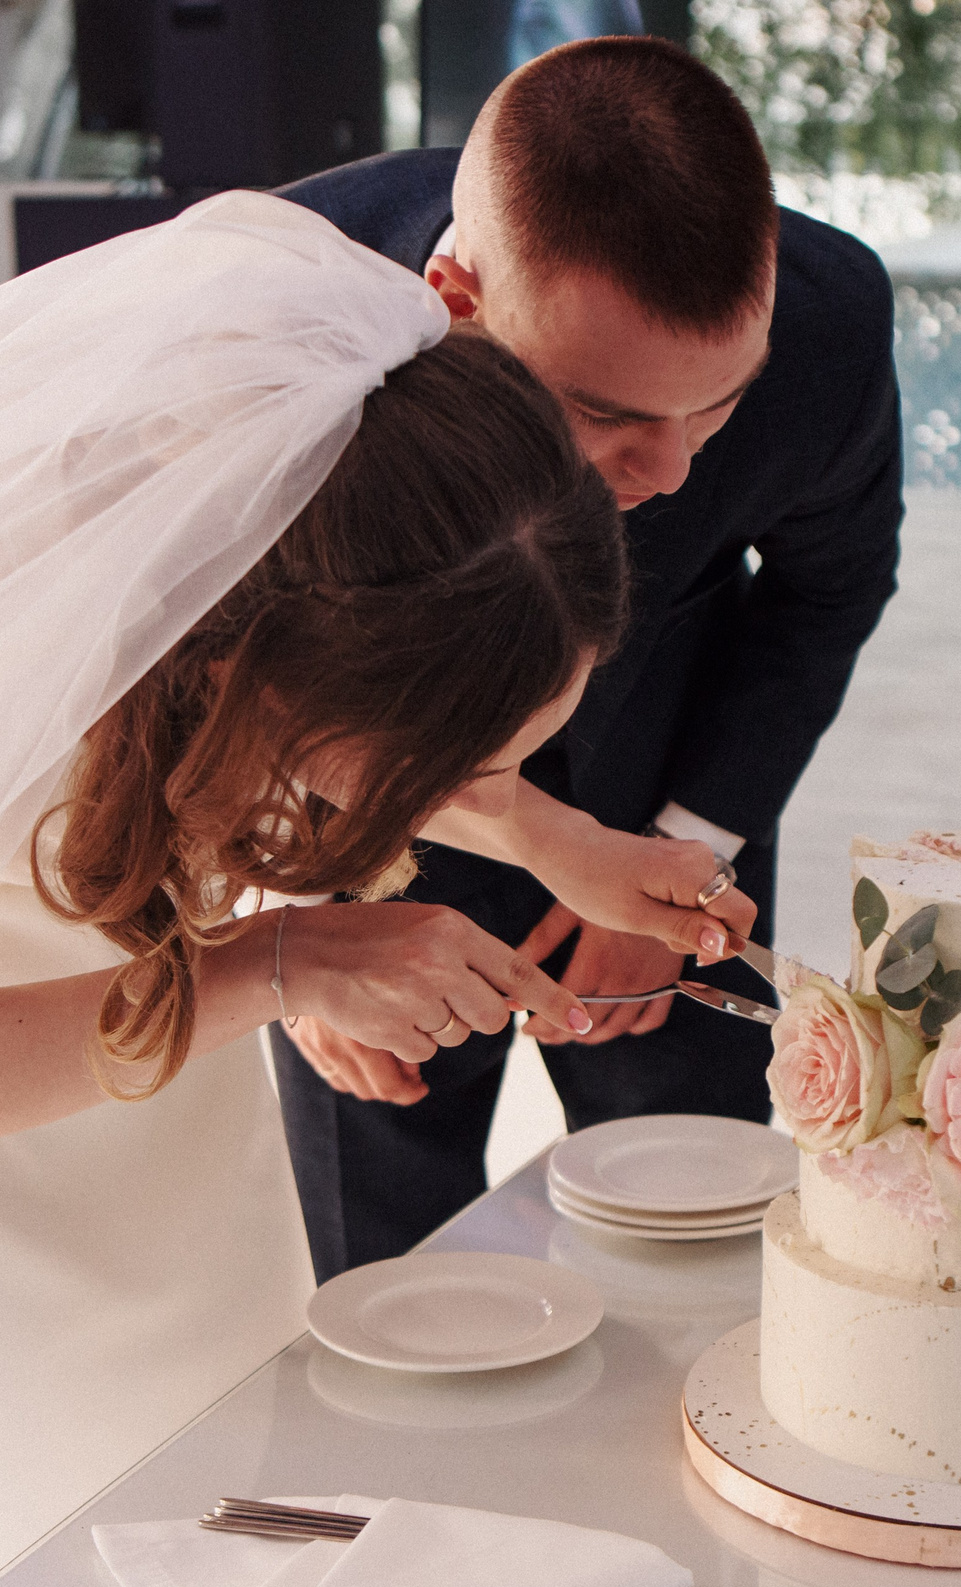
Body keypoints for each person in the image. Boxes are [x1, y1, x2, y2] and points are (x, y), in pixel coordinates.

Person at [0, 193, 750, 1587]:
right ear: (291, 660)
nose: (435, 805)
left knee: (232, 1516)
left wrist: (559, 841)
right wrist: (279, 966)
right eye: (426, 768)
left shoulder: (333, 471)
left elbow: (350, 738)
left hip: (148, 1051)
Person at [271, 36, 903, 1281]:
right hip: (350, 811)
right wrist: (282, 922)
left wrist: (691, 838)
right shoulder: (289, 295)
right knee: (383, 1262)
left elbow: (828, 592)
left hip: (663, 782)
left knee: (695, 1244)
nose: (670, 473)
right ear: (457, 298)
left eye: (715, 408)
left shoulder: (830, 320)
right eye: (610, 415)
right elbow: (214, 653)